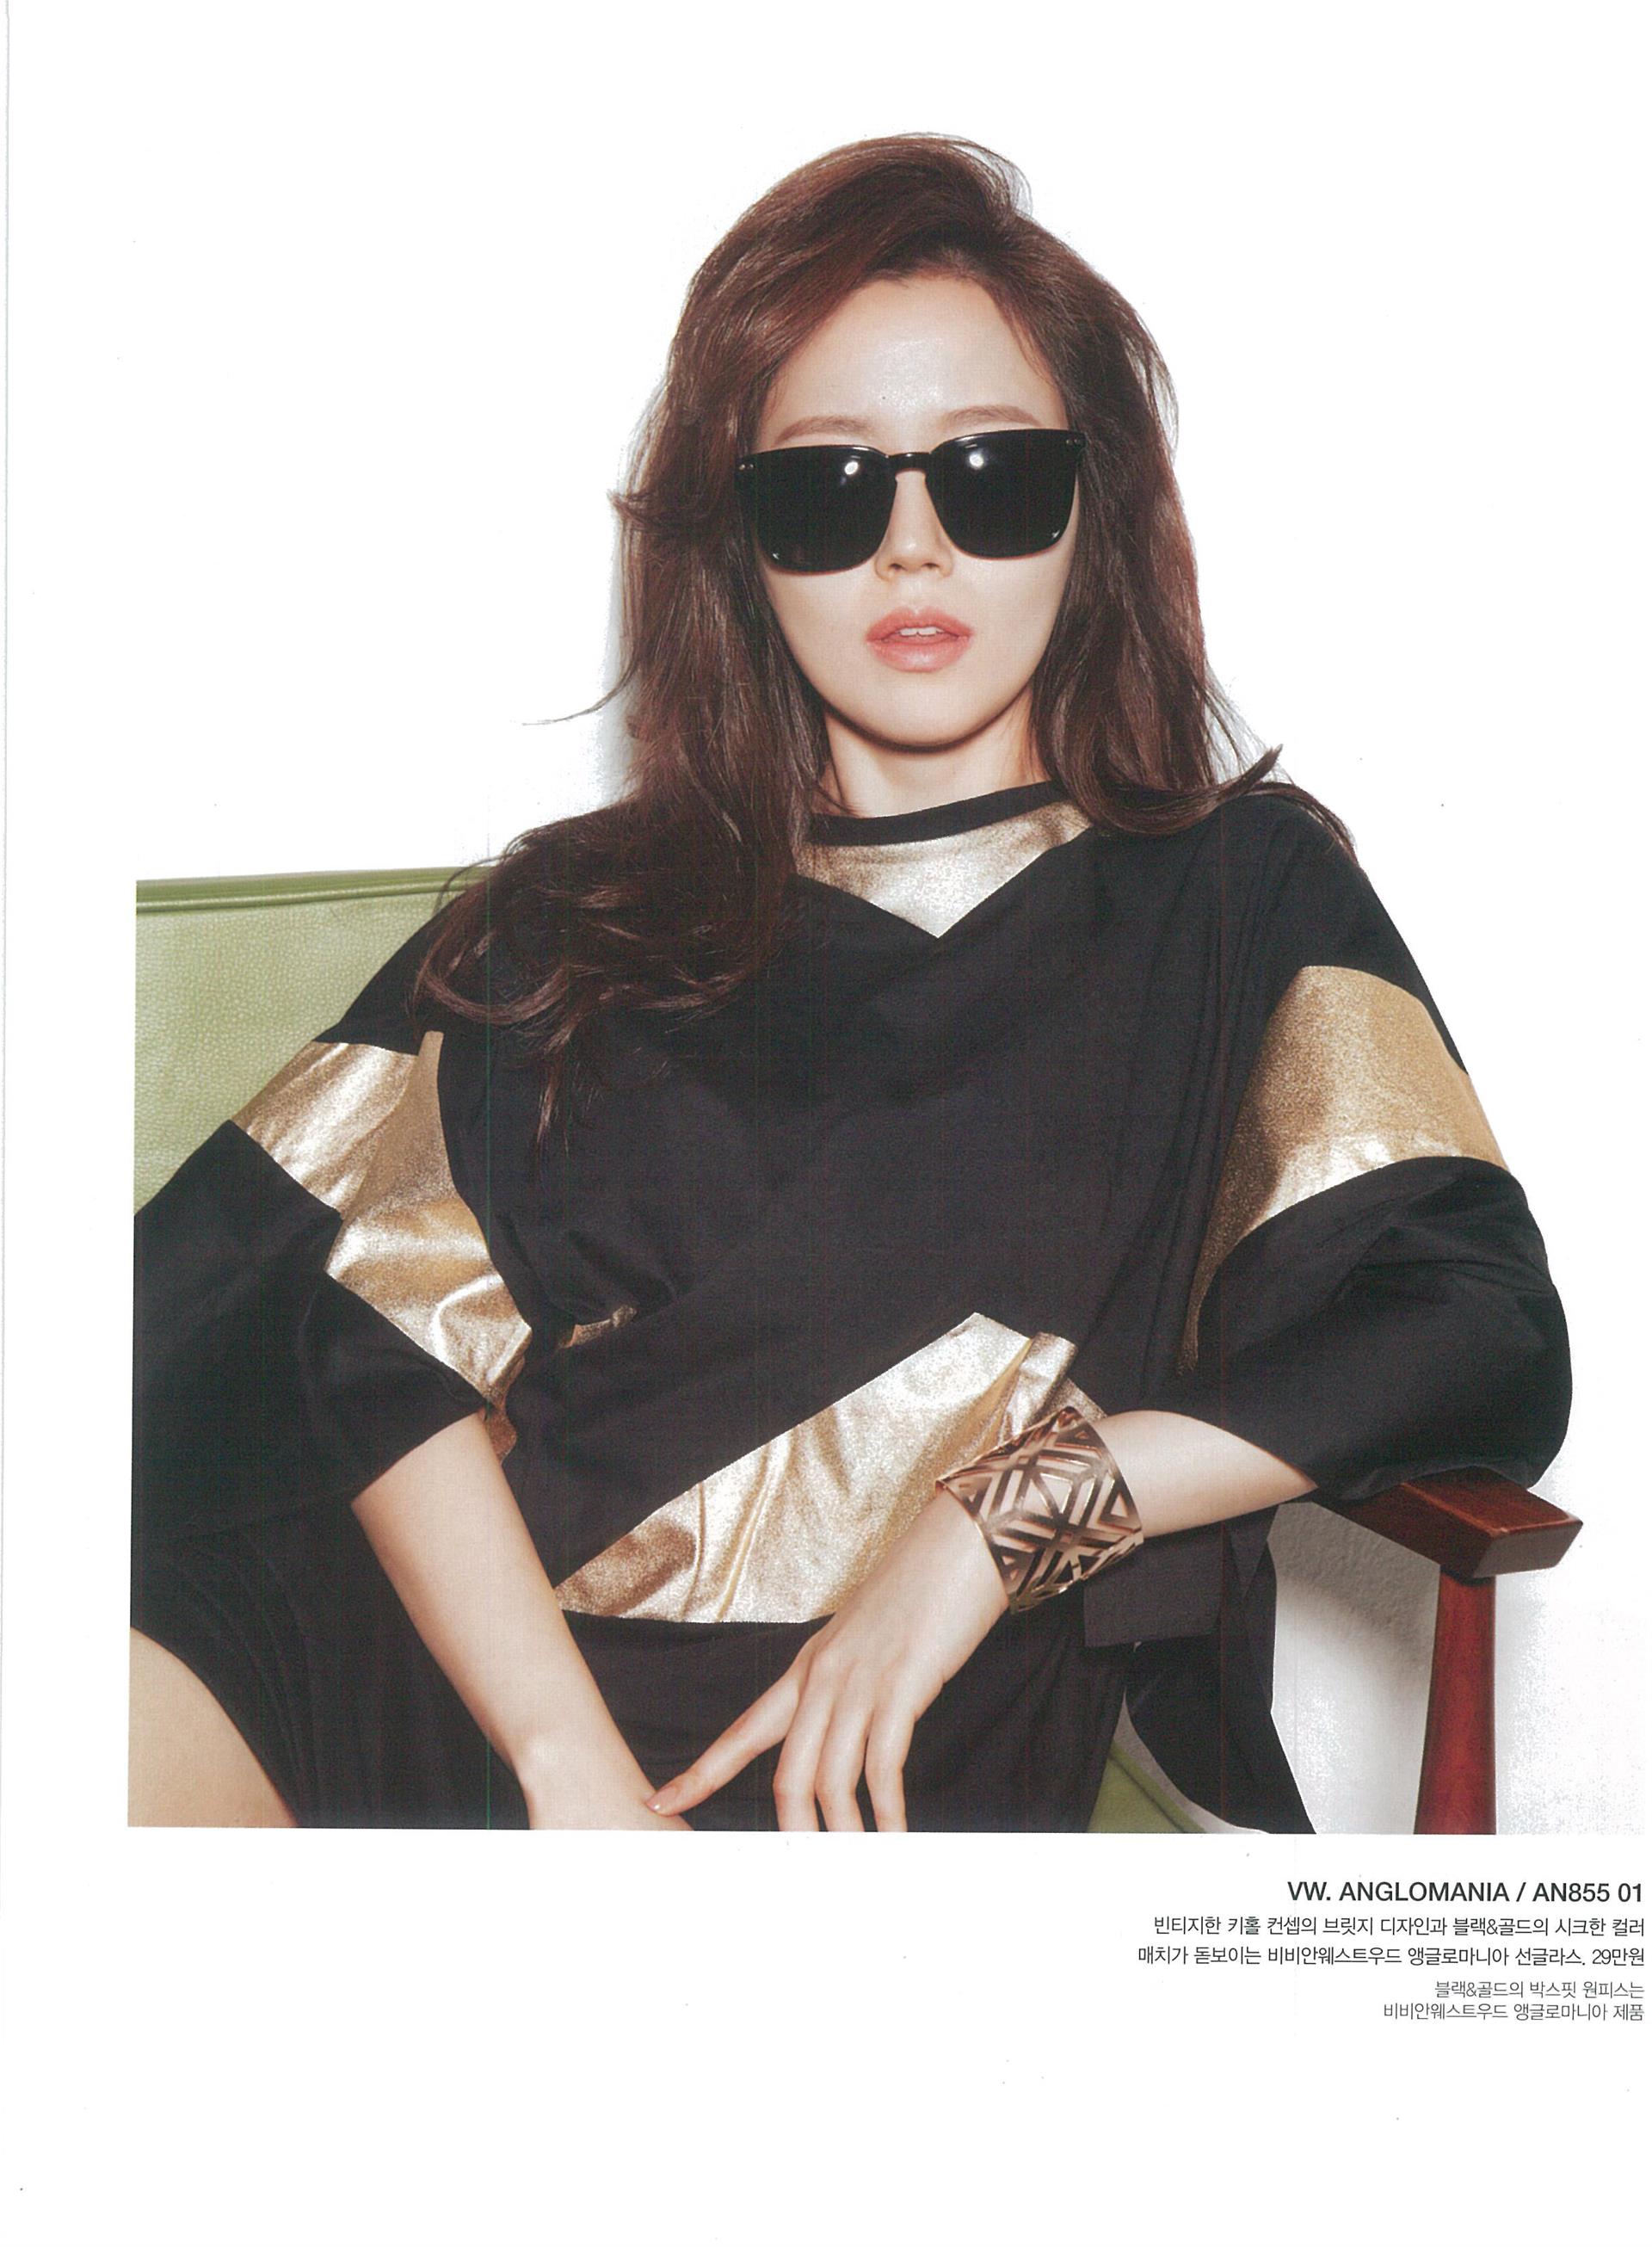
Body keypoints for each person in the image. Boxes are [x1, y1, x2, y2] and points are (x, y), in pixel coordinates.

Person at [129, 134, 1570, 1834]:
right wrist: (564, 1768)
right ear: (739, 544)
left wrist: (1006, 1515)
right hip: (437, 1684)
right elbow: (334, 1328)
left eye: (992, 476)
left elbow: (1469, 1329)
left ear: (1094, 512)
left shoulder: (1237, 897)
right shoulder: (572, 909)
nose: (913, 549)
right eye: (827, 491)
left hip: (866, 1772)